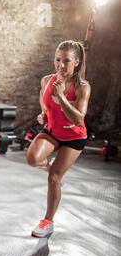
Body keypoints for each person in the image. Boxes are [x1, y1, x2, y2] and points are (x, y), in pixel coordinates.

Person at [26, 40, 90, 238]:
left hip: (73, 137)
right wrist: (43, 113)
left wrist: (62, 97)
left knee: (54, 178)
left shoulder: (82, 87)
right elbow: (44, 101)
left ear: (77, 62)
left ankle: (47, 222)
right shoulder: (47, 80)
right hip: (53, 131)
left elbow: (78, 117)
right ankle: (53, 166)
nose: (61, 66)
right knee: (32, 159)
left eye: (67, 61)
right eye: (58, 60)